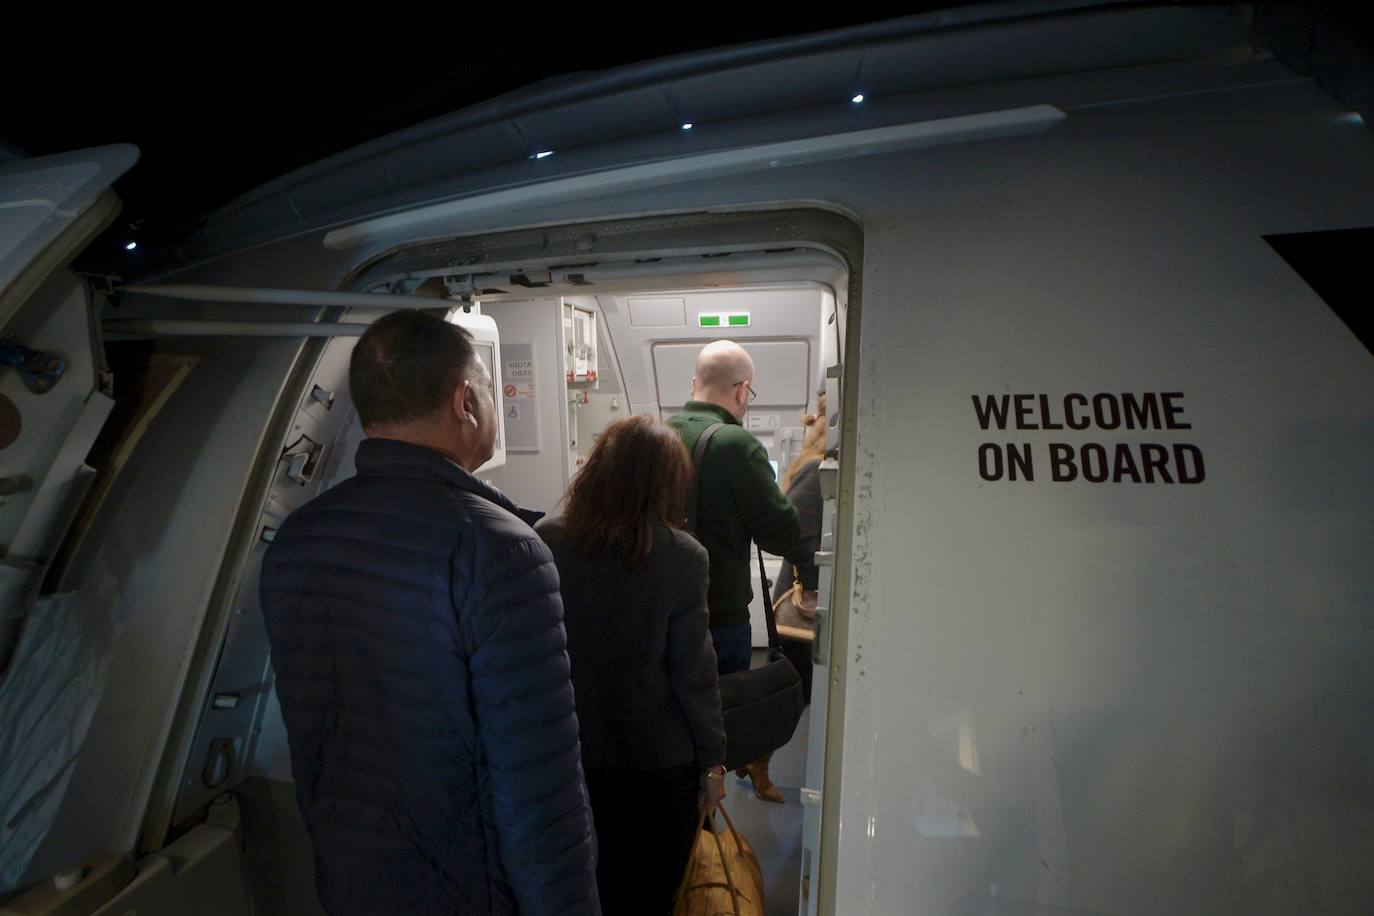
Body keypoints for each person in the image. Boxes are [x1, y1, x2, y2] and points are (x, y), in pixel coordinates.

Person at [259, 310, 599, 916]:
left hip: (352, 876)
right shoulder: (502, 550)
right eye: (488, 390)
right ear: (465, 401)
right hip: (472, 887)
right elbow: (538, 785)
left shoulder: (298, 536)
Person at [537, 414, 727, 916]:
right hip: (656, 762)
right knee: (649, 892)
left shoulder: (547, 540)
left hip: (570, 753)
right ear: (668, 484)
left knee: (581, 888)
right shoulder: (684, 556)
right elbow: (694, 673)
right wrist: (713, 759)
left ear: (596, 469)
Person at [666, 340, 801, 804]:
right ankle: (709, 838)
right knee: (716, 733)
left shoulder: (657, 432)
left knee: (672, 731)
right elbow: (783, 532)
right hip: (717, 619)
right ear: (743, 391)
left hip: (658, 613)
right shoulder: (736, 445)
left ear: (693, 385)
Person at [772, 394, 828, 704]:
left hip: (811, 599)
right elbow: (795, 538)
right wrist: (821, 581)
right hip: (803, 603)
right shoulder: (815, 471)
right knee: (799, 697)